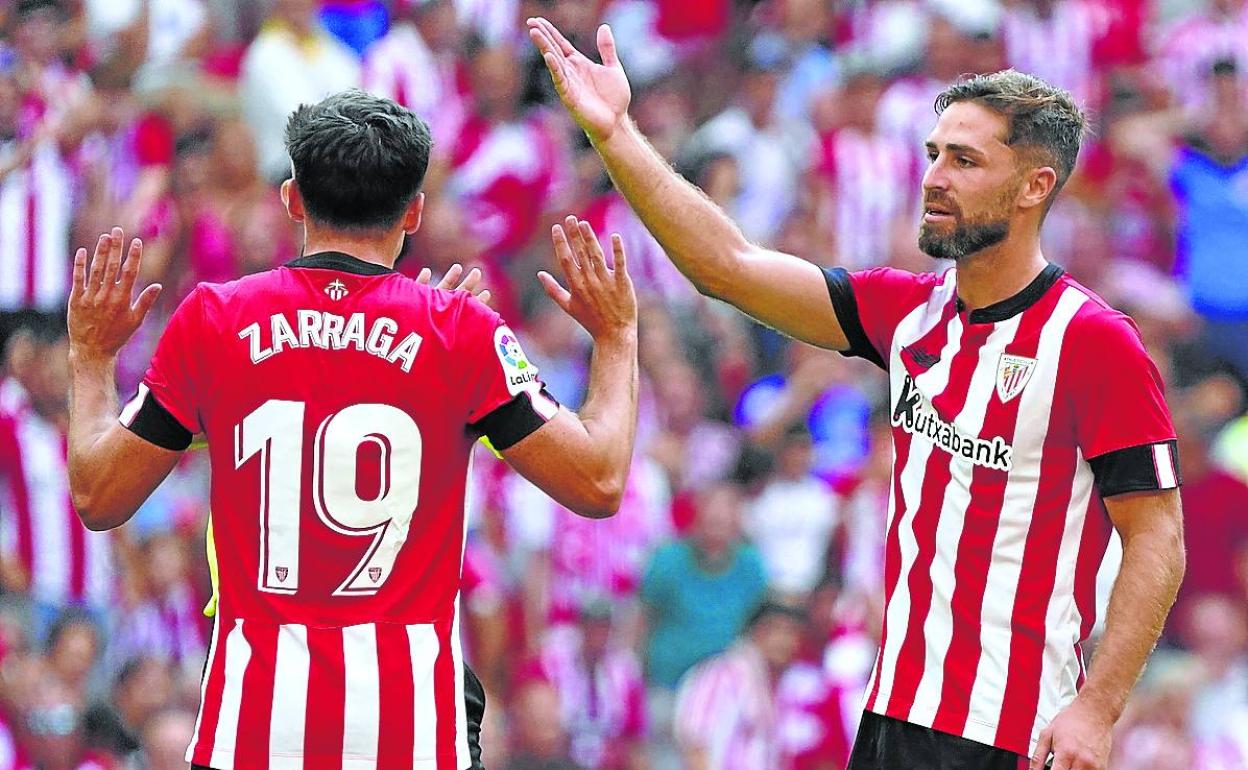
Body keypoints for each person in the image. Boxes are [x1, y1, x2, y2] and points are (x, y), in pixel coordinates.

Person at [529, 18, 1186, 770]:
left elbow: (1158, 539)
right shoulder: (908, 313)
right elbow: (728, 265)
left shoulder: (1094, 342)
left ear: (1035, 186)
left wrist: (1097, 709)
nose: (934, 177)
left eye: (965, 161)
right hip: (890, 717)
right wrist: (615, 132)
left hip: (1013, 731)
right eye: (934, 154)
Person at [64, 90, 640, 770]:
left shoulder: (214, 320)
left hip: (251, 735)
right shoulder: (458, 332)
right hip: (411, 737)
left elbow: (100, 497)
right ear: (415, 212)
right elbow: (599, 479)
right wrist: (616, 335)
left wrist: (91, 357)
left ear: (291, 199)